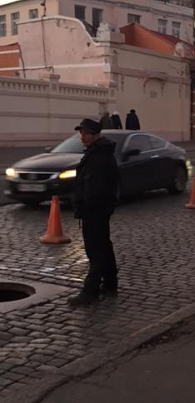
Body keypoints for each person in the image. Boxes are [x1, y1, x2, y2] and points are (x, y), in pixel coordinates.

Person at [68, 118, 119, 307]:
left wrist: (83, 204)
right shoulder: (97, 153)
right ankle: (111, 283)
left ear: (96, 135)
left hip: (95, 210)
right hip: (98, 208)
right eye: (81, 133)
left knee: (95, 250)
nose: (82, 137)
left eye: (86, 133)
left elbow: (94, 188)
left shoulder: (99, 157)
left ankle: (90, 290)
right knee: (103, 245)